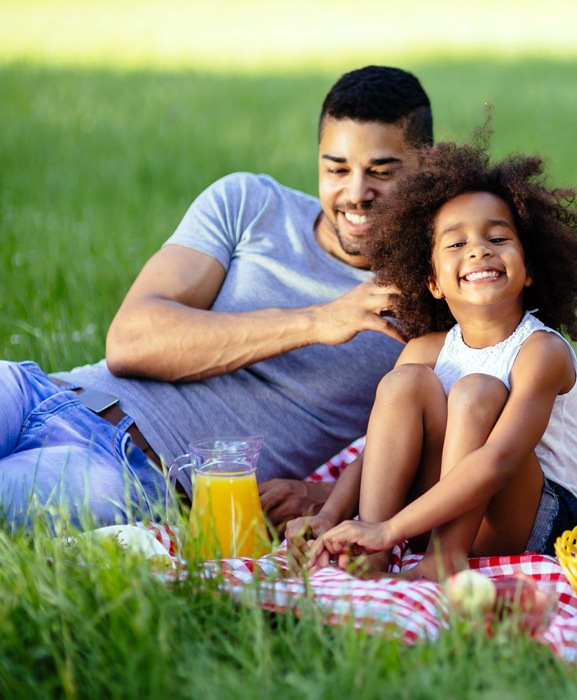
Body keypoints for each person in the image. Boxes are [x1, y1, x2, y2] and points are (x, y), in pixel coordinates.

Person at [0, 66, 433, 531]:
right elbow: (130, 341)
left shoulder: (434, 294)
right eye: (337, 168)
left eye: (382, 173)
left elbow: (475, 448)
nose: (356, 193)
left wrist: (326, 496)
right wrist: (317, 321)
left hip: (132, 473)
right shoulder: (249, 203)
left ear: (428, 167)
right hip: (42, 391)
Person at [289, 140, 577, 579]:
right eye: (456, 243)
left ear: (530, 268)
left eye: (497, 238)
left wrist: (393, 527)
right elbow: (377, 451)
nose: (478, 250)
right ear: (433, 281)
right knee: (404, 385)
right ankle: (370, 555)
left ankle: (442, 561)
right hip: (432, 514)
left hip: (532, 522)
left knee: (477, 390)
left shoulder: (540, 352)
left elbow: (499, 461)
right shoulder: (426, 350)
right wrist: (337, 517)